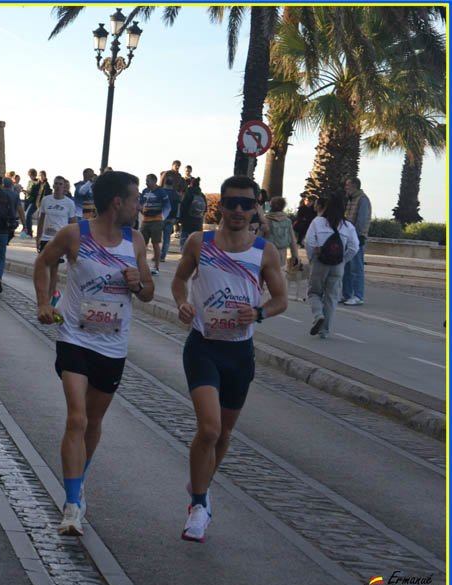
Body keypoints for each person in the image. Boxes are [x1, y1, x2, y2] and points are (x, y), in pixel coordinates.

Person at [34, 170, 155, 536]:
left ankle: (78, 479)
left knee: (94, 420)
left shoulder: (135, 240)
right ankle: (71, 506)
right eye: (135, 199)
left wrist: (140, 284)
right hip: (75, 338)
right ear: (118, 202)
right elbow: (43, 262)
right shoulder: (75, 234)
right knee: (77, 418)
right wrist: (43, 302)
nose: (139, 205)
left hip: (112, 345)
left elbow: (149, 291)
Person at [171, 175, 287, 543]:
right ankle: (200, 504)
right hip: (204, 346)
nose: (238, 210)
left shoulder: (263, 251)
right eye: (231, 202)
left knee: (224, 435)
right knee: (210, 429)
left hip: (239, 352)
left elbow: (280, 298)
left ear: (256, 208)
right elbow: (178, 280)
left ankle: (200, 484)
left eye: (246, 204)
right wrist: (183, 304)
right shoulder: (199, 243)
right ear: (219, 205)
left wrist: (260, 314)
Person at [305, 191, 359, 338]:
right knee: (331, 296)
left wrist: (312, 258)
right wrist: (343, 260)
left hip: (320, 262)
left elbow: (309, 242)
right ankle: (325, 330)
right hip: (337, 265)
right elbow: (355, 247)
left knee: (314, 292)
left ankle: (318, 316)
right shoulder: (348, 226)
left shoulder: (318, 222)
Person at [35, 176, 79, 301]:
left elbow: (73, 223)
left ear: (64, 187)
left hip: (59, 240)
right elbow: (41, 219)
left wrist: (72, 242)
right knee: (44, 267)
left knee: (54, 268)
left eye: (61, 184)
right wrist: (38, 237)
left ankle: (50, 297)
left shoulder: (69, 203)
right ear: (53, 186)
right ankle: (49, 294)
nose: (58, 186)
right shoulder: (46, 200)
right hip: (45, 237)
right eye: (56, 184)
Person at [340, 177, 371, 306]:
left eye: (348, 185)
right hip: (347, 236)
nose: (346, 187)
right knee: (346, 267)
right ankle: (346, 294)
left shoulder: (362, 199)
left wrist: (356, 236)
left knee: (356, 267)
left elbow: (362, 220)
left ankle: (358, 295)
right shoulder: (350, 199)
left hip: (356, 237)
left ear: (355, 186)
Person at [264, 196, 300, 277]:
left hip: (267, 254)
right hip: (282, 255)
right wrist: (295, 256)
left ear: (271, 206)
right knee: (280, 276)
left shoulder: (265, 220)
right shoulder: (287, 221)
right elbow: (292, 240)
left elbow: (258, 238)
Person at [139, 173, 164, 274]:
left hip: (156, 221)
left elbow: (167, 206)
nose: (146, 183)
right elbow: (140, 204)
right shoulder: (145, 191)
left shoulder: (161, 192)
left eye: (148, 180)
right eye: (146, 180)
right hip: (145, 221)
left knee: (155, 244)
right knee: (142, 244)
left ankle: (156, 267)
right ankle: (142, 266)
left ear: (154, 181)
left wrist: (162, 217)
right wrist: (142, 211)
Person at [179, 177, 206, 250]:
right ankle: (195, 254)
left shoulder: (188, 193)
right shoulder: (202, 195)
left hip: (187, 221)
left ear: (191, 184)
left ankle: (184, 254)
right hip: (198, 221)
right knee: (197, 240)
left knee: (184, 238)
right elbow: (205, 209)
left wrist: (180, 219)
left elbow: (183, 207)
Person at [159, 174, 181, 262]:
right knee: (167, 238)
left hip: (161, 217)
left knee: (156, 237)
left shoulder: (161, 192)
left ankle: (157, 255)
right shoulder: (175, 194)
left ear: (165, 182)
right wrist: (176, 217)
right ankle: (163, 256)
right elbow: (178, 206)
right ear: (172, 184)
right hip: (171, 218)